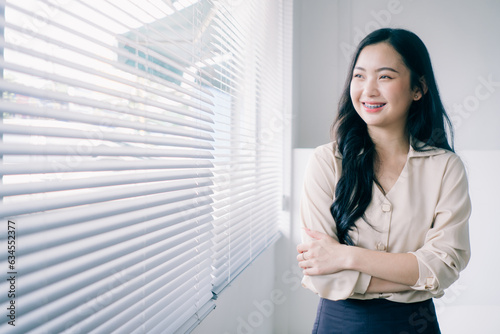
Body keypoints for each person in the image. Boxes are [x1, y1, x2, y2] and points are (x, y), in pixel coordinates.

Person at [296, 28, 471, 334]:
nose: (368, 90)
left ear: (418, 88)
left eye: (385, 77)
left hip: (414, 324)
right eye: (359, 76)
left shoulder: (445, 168)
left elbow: (445, 266)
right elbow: (319, 272)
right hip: (340, 323)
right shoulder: (326, 162)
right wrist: (415, 273)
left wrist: (345, 256)